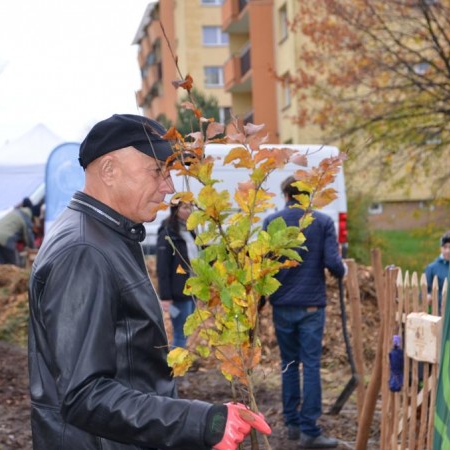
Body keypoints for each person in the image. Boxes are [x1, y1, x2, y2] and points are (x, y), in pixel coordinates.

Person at [27, 113, 271, 450]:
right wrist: (202, 422)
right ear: (109, 170)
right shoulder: (85, 252)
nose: (169, 186)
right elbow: (84, 395)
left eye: (169, 172)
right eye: (158, 170)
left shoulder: (107, 236)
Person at [262, 175, 347, 449]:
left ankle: (292, 425)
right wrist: (342, 270)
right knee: (310, 365)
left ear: (285, 195)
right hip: (310, 306)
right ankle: (310, 429)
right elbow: (333, 263)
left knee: (288, 365)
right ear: (307, 196)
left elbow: (264, 267)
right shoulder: (321, 222)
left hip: (282, 305)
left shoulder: (271, 223)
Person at [156, 201, 198, 349]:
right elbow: (162, 267)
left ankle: (178, 366)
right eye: (185, 207)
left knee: (186, 331)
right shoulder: (168, 233)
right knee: (181, 332)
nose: (189, 211)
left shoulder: (190, 231)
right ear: (175, 209)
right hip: (178, 292)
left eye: (190, 207)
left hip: (192, 289)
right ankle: (176, 368)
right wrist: (166, 296)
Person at [0, 197, 36, 267]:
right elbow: (28, 236)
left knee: (3, 265)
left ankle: (3, 277)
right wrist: (33, 248)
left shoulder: (16, 212)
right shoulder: (26, 216)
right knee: (13, 265)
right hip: (5, 239)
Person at [424, 230, 450, 312]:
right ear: (441, 248)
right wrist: (427, 296)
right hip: (438, 312)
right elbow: (423, 292)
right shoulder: (432, 268)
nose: (448, 251)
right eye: (445, 247)